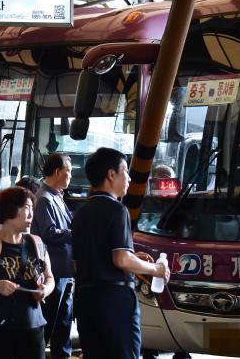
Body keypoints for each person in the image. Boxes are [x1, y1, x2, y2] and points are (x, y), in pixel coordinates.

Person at [72, 147, 170, 358]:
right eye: (125, 171)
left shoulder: (81, 213)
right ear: (111, 174)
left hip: (85, 300)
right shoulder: (117, 210)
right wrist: (156, 269)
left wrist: (134, 258)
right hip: (114, 300)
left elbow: (87, 258)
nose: (129, 177)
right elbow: (121, 259)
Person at [0, 187, 54, 359]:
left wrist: (45, 290)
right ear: (10, 209)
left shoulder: (37, 244)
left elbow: (50, 278)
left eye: (32, 209)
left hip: (33, 328)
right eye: (26, 208)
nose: (31, 214)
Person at [30, 153, 74, 359]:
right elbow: (49, 233)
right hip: (53, 269)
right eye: (69, 172)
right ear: (57, 172)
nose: (70, 176)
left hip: (64, 268)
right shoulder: (44, 198)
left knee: (64, 320)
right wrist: (78, 235)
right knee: (51, 320)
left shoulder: (57, 195)